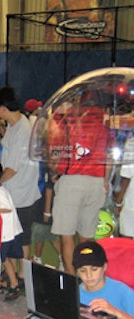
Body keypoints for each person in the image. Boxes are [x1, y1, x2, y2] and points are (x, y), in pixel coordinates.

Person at [49, 102, 111, 274]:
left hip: (72, 181)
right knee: (87, 236)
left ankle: (72, 280)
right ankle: (90, 279)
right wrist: (105, 180)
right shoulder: (102, 120)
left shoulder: (63, 119)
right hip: (97, 182)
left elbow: (55, 154)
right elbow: (109, 154)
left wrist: (54, 171)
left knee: (67, 235)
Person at [0, 87, 41, 271]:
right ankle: (18, 272)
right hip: (12, 190)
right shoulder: (14, 126)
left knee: (23, 234)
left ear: (3, 108)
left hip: (21, 192)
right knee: (13, 233)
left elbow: (12, 168)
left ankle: (23, 274)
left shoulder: (23, 130)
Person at [0, 160, 24, 301]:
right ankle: (9, 282)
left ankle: (9, 283)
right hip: (10, 231)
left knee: (0, 259)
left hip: (6, 233)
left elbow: (6, 208)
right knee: (5, 259)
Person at [31, 155, 63, 269]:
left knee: (42, 232)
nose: (52, 165)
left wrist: (47, 211)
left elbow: (49, 191)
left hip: (48, 209)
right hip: (41, 206)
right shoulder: (45, 171)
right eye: (50, 161)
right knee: (47, 234)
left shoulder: (60, 175)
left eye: (55, 162)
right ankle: (38, 257)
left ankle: (38, 258)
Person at [114, 163, 134, 238]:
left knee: (127, 236)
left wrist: (119, 202)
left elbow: (126, 178)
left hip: (131, 203)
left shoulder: (130, 152)